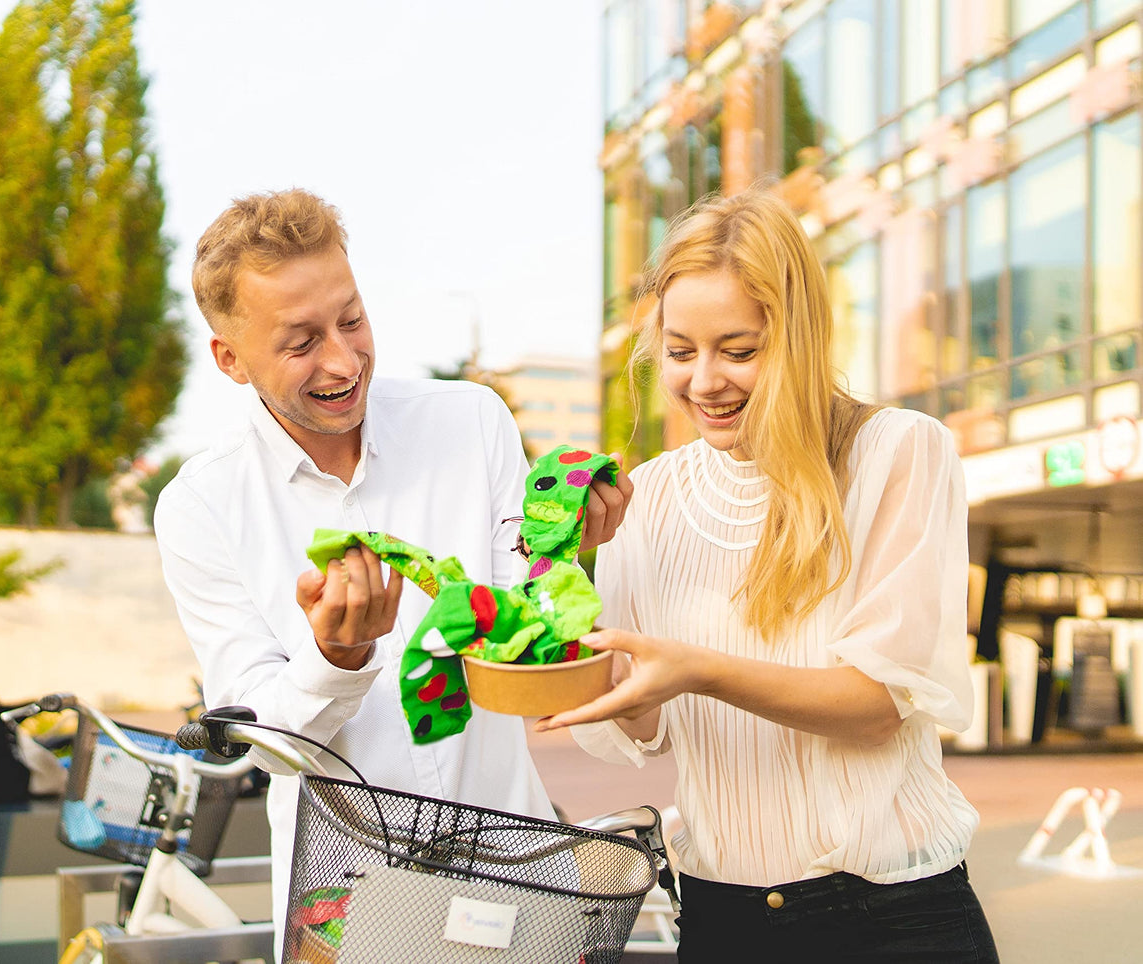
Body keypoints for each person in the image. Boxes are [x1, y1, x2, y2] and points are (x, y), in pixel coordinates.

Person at [152, 187, 631, 942]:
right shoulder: (200, 506)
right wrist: (334, 658)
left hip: (518, 873)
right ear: (229, 360)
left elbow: (529, 629)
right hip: (345, 904)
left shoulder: (470, 422)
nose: (343, 359)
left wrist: (566, 541)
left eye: (351, 319)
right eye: (300, 341)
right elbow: (258, 738)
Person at [536, 188, 999, 962]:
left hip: (893, 919)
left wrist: (697, 671)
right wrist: (560, 573)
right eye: (680, 351)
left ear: (798, 338)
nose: (704, 381)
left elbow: (876, 704)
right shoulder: (646, 495)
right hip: (726, 922)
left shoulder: (896, 453)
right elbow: (635, 725)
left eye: (738, 350)